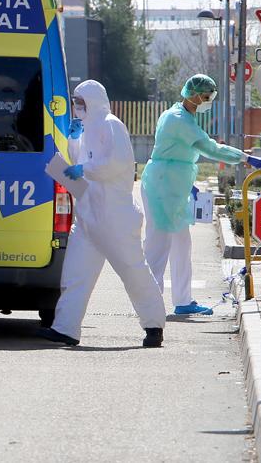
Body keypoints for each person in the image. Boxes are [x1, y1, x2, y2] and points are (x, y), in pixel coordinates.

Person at [39, 80, 167, 348]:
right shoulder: (85, 130)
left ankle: (154, 325)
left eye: (80, 101)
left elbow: (117, 163)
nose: (76, 106)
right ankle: (66, 329)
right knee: (75, 275)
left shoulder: (111, 124)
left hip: (114, 219)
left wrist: (85, 170)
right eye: (75, 101)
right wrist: (73, 140)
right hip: (88, 217)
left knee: (134, 273)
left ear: (93, 101)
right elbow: (79, 161)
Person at [141, 74, 261, 316]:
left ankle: (182, 301)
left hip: (171, 186)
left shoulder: (180, 114)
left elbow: (176, 153)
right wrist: (245, 158)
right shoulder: (179, 120)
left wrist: (185, 183)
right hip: (162, 188)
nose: (209, 100)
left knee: (181, 245)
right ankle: (149, 305)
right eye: (207, 96)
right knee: (157, 247)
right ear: (195, 95)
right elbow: (209, 148)